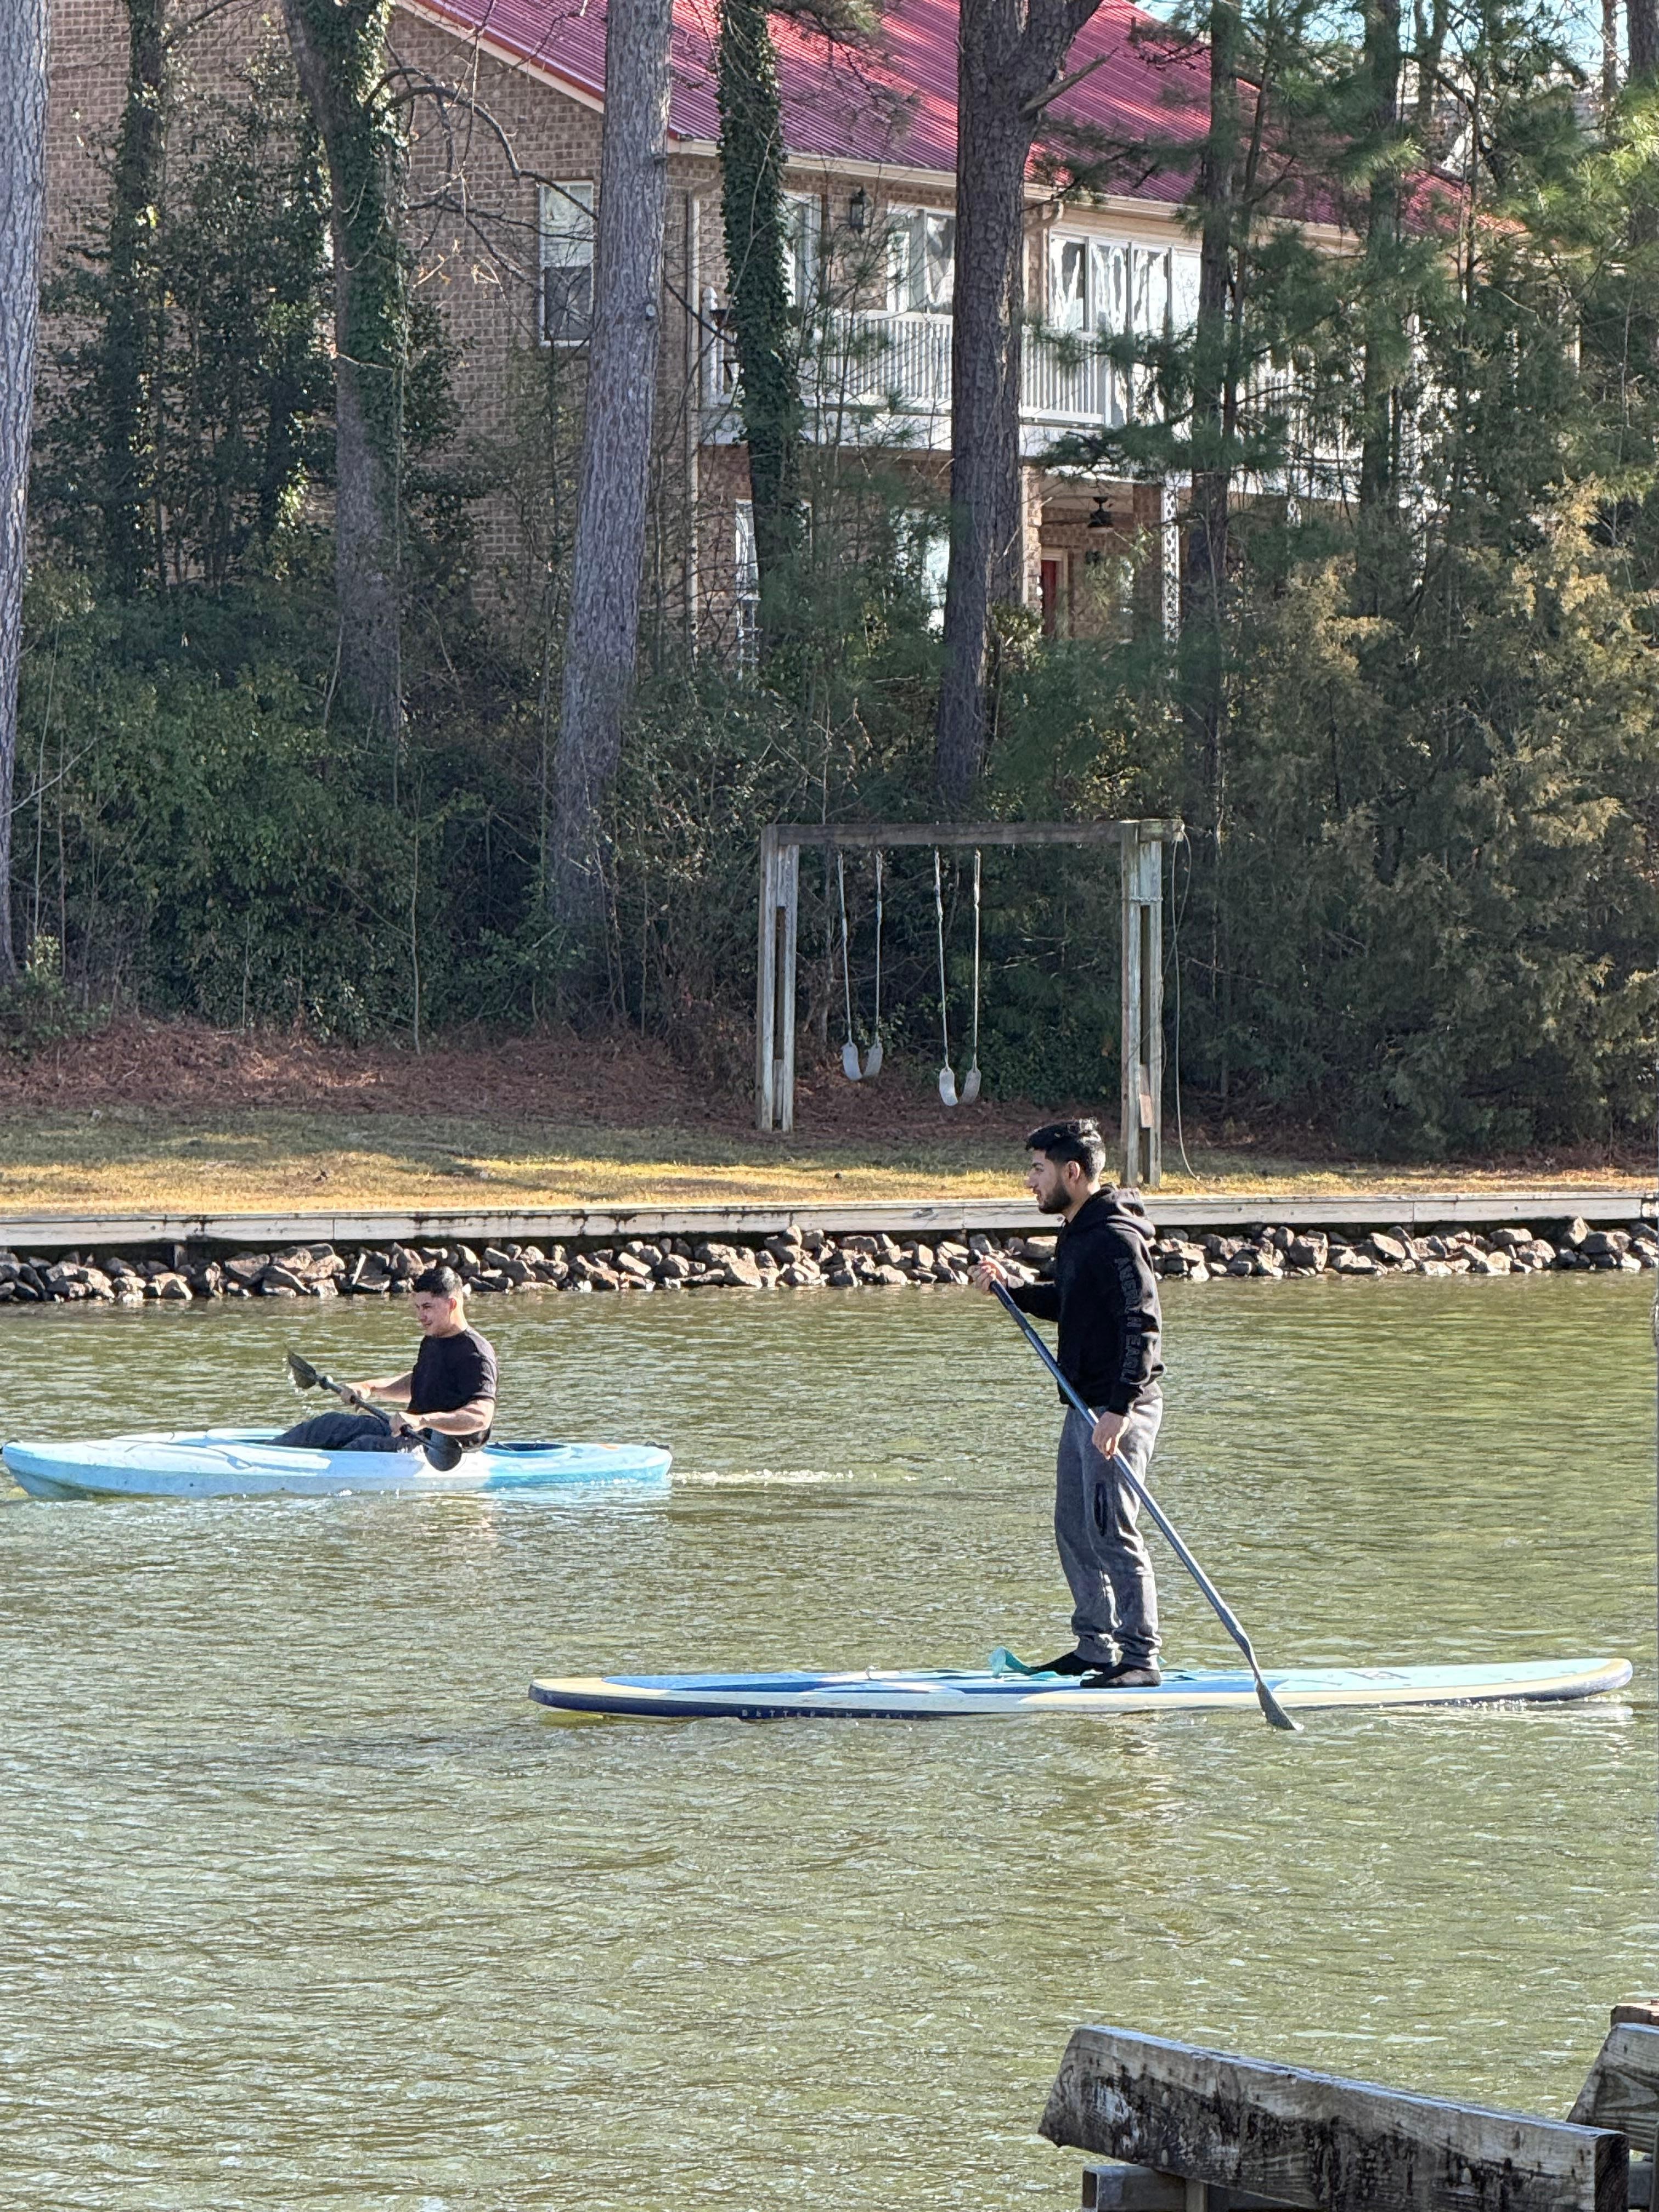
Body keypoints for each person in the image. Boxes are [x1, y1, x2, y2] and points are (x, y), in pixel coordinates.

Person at [973, 1118, 1165, 1686]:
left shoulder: (1115, 1237)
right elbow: (1070, 1303)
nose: (1030, 1181)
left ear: (1073, 1173)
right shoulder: (1077, 1231)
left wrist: (1120, 1410)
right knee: (1075, 1528)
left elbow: (1142, 1326)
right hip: (1085, 1406)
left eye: (1039, 1170)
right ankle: (1095, 1648)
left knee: (1111, 1530)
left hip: (1118, 1409)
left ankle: (1140, 1658)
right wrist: (1015, 1290)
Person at [274, 1266, 498, 1453]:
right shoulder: (433, 1338)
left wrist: (423, 1420)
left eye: (427, 1307)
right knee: (328, 1425)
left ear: (452, 1305)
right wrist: (369, 1387)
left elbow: (481, 1416)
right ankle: (269, 1452)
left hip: (441, 1449)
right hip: (410, 1433)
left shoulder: (476, 1354)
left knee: (364, 1447)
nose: (420, 1316)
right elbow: (420, 1382)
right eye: (418, 1308)